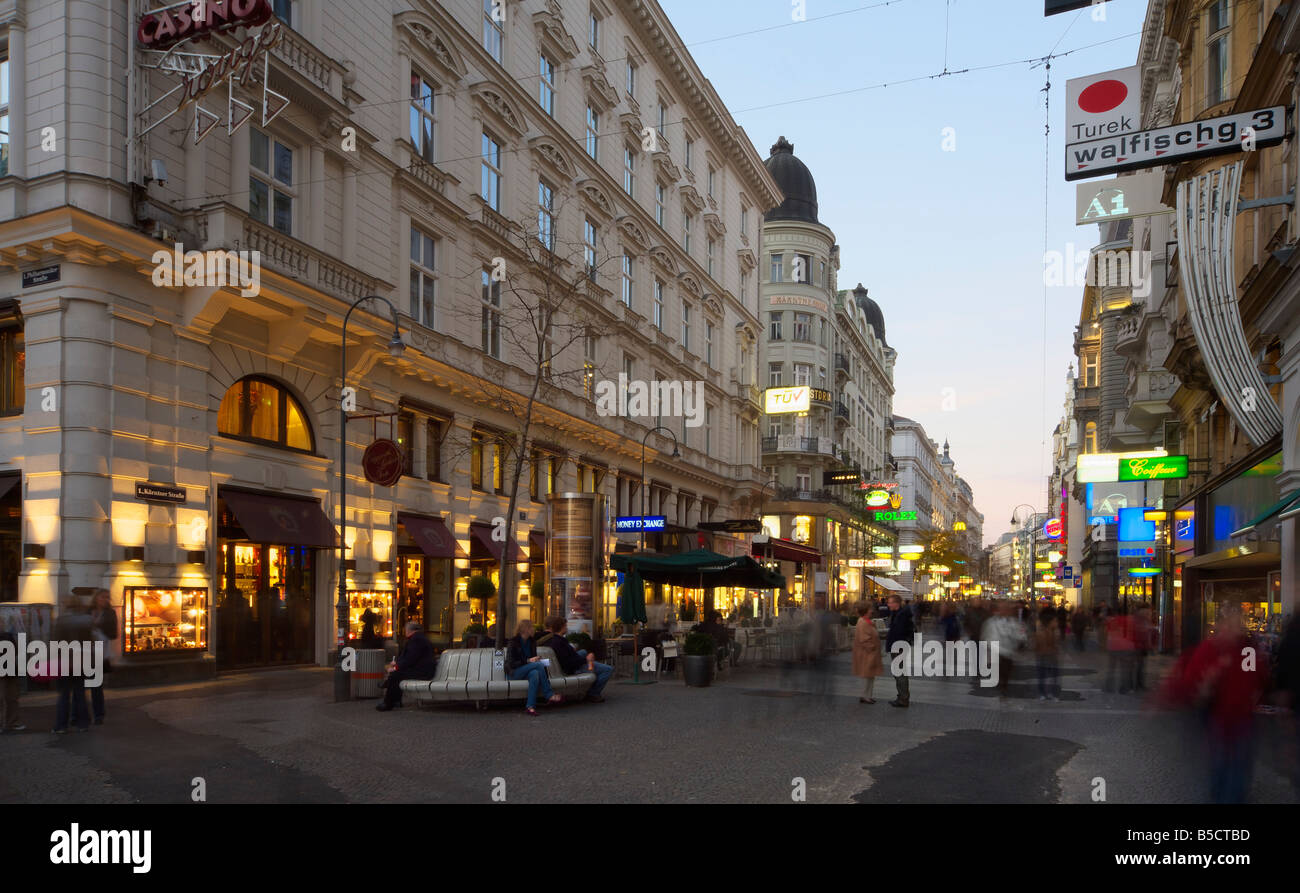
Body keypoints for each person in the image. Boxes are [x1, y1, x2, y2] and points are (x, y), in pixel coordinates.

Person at [1161, 609, 1267, 803]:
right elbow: (1193, 683)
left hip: (1242, 716)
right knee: (1221, 761)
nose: (1231, 630)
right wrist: (1211, 678)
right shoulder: (1209, 649)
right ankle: (1221, 795)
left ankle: (1232, 796)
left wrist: (1254, 697)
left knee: (1238, 762)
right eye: (1227, 625)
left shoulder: (1247, 649)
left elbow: (1256, 678)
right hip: (1218, 715)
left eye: (1235, 625)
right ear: (1218, 627)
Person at [538, 616, 612, 702]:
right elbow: (570, 662)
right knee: (608, 670)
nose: (567, 627)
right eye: (565, 625)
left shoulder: (556, 640)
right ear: (562, 627)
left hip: (571, 663)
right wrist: (587, 660)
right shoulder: (560, 643)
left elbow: (569, 657)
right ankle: (593, 693)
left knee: (584, 652)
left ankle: (592, 669)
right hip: (574, 668)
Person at [505, 619, 562, 716]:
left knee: (535, 673)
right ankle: (549, 695)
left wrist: (535, 660)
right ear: (526, 629)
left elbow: (532, 662)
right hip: (513, 672)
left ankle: (530, 706)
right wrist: (529, 661)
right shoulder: (513, 642)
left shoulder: (532, 642)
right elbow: (511, 663)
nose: (534, 629)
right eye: (532, 627)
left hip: (527, 671)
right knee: (538, 666)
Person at [377, 621, 438, 711]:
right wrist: (397, 664)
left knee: (395, 675)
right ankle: (395, 699)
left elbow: (410, 659)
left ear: (409, 630)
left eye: (405, 629)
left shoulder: (416, 640)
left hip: (422, 671)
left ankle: (388, 702)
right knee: (397, 675)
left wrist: (396, 667)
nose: (404, 631)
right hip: (422, 669)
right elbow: (407, 658)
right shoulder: (418, 638)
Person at [52, 612, 93, 733]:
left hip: (65, 662)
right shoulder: (85, 621)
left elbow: (56, 643)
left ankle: (61, 725)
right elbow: (90, 642)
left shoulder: (62, 620)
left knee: (64, 695)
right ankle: (83, 724)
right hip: (80, 662)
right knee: (80, 695)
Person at [86, 589, 118, 726]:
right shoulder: (87, 611)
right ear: (96, 598)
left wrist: (100, 625)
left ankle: (99, 715)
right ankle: (78, 715)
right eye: (103, 597)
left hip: (100, 653)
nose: (105, 600)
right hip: (85, 652)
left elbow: (113, 634)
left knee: (96, 685)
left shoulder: (110, 613)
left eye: (107, 597)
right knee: (80, 685)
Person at [981, 601, 1026, 698]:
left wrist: (1021, 641)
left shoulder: (1014, 622)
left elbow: (1020, 634)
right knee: (999, 669)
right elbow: (986, 634)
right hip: (996, 650)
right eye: (1002, 608)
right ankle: (1001, 685)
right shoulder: (992, 621)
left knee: (1006, 670)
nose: (1004, 611)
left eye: (1006, 609)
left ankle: (1003, 686)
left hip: (1008, 651)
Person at [885, 594, 914, 708]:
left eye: (890, 602)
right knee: (899, 672)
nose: (888, 604)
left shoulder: (901, 615)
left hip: (898, 646)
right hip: (899, 645)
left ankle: (903, 698)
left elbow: (899, 632)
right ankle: (902, 696)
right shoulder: (898, 613)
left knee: (899, 672)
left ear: (896, 603)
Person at [852, 601, 883, 704]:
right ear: (865, 610)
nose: (872, 611)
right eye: (870, 609)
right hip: (866, 654)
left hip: (869, 653)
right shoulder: (862, 622)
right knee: (867, 676)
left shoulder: (867, 621)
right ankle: (865, 696)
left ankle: (868, 695)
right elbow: (863, 639)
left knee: (870, 676)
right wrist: (872, 647)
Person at [1104, 607, 1136, 694]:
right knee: (1125, 669)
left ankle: (1108, 687)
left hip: (1113, 646)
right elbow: (1132, 633)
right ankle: (1124, 688)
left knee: (1111, 668)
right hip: (1126, 647)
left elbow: (1107, 632)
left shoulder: (1112, 621)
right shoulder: (1130, 621)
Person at [0, 626, 23, 732]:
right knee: (11, 698)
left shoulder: (8, 635)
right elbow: (16, 651)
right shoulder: (7, 636)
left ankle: (4, 724)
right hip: (9, 671)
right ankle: (11, 723)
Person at [1035, 606, 1061, 701]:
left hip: (1051, 654)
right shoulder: (1040, 627)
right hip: (1042, 654)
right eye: (1054, 620)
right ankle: (1043, 693)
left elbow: (1056, 641)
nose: (1056, 622)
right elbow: (1039, 641)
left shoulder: (1054, 628)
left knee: (1053, 675)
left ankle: (1052, 693)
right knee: (1042, 675)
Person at [1133, 606, 1154, 691]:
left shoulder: (1142, 620)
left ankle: (1139, 684)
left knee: (1141, 666)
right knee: (1140, 666)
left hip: (1141, 646)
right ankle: (1138, 684)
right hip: (1139, 646)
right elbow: (1142, 633)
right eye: (1147, 612)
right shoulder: (1140, 621)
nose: (1149, 614)